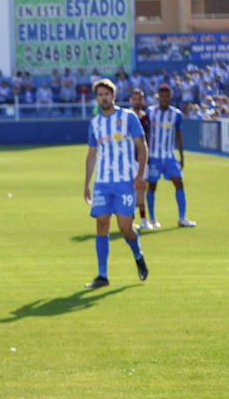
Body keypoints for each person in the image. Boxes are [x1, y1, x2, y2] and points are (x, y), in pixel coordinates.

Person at [83, 78, 149, 289]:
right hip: (103, 182)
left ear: (113, 95)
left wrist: (139, 175)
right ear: (97, 98)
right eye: (100, 95)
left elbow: (142, 146)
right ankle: (102, 275)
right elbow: (91, 154)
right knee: (101, 222)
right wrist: (87, 183)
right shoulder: (95, 124)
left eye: (106, 94)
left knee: (125, 227)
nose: (103, 98)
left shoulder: (128, 117)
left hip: (124, 181)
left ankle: (138, 254)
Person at [144, 83, 195, 230]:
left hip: (169, 156)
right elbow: (145, 134)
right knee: (152, 186)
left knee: (179, 182)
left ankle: (182, 217)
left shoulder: (176, 114)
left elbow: (179, 135)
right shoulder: (150, 112)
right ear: (158, 97)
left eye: (167, 96)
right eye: (162, 96)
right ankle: (152, 219)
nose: (164, 99)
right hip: (153, 156)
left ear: (171, 97)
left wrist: (182, 155)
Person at [127, 89, 152, 227]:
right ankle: (129, 221)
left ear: (142, 100)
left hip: (142, 159)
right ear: (131, 100)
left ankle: (143, 220)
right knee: (129, 190)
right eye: (134, 98)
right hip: (129, 160)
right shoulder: (126, 117)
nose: (137, 101)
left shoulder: (146, 117)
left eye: (139, 98)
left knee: (142, 188)